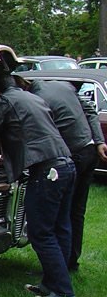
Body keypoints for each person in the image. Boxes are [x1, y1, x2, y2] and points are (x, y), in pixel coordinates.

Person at [0, 73, 76, 297]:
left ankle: (62, 291)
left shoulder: (5, 102)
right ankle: (53, 283)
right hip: (66, 164)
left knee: (41, 232)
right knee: (61, 226)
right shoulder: (33, 99)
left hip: (46, 171)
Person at [23, 77, 107, 272]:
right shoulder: (64, 86)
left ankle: (58, 266)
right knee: (76, 212)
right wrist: (99, 140)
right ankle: (70, 262)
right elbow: (90, 111)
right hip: (89, 150)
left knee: (61, 213)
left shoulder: (37, 99)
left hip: (72, 154)